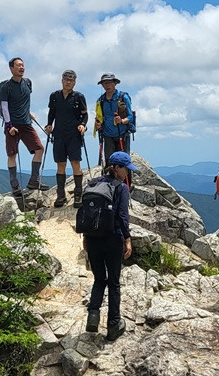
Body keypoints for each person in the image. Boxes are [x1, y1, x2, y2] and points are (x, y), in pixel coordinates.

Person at [83, 150, 135, 341]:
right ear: (117, 168)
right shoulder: (121, 188)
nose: (128, 172)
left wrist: (85, 237)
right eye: (126, 169)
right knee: (113, 282)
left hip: (93, 239)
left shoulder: (93, 184)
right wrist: (127, 239)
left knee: (99, 279)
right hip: (113, 240)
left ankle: (93, 316)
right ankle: (113, 325)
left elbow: (86, 213)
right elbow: (122, 216)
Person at [0, 57, 47, 195]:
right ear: (11, 68)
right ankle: (14, 185)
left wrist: (28, 112)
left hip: (26, 123)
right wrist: (9, 126)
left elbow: (24, 101)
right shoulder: (5, 86)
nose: (21, 68)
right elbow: (4, 107)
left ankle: (34, 180)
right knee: (12, 154)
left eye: (22, 65)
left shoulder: (28, 83)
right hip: (13, 125)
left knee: (39, 149)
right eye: (18, 65)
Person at [45, 69, 88, 208]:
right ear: (62, 80)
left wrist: (82, 125)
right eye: (66, 79)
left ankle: (78, 195)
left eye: (71, 80)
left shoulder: (79, 97)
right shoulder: (54, 96)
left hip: (74, 135)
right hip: (58, 134)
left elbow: (85, 114)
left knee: (75, 162)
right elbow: (52, 112)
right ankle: (61, 195)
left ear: (74, 82)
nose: (68, 82)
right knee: (60, 164)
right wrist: (49, 124)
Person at [93, 73, 133, 159]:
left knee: (122, 161)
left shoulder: (123, 97)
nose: (107, 85)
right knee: (109, 161)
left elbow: (130, 117)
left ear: (115, 83)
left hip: (122, 134)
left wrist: (122, 121)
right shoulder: (101, 100)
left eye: (109, 82)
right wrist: (98, 125)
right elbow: (99, 117)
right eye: (104, 83)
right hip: (107, 135)